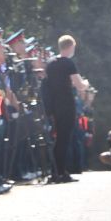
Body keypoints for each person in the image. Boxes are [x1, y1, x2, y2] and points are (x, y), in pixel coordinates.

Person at [42, 35, 84, 183]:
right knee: (64, 138)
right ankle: (60, 171)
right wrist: (84, 85)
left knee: (58, 138)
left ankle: (55, 169)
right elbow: (78, 84)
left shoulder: (51, 63)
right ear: (71, 47)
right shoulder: (68, 63)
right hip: (66, 103)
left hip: (53, 105)